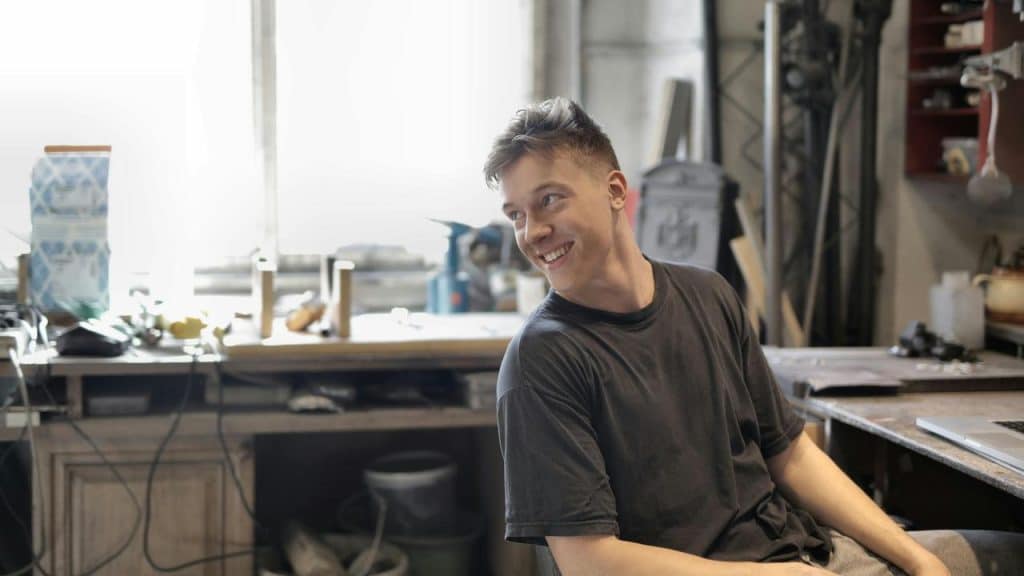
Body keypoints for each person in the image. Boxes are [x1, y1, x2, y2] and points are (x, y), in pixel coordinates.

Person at [484, 97, 1024, 576]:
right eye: (516, 215)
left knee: (1006, 554)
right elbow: (589, 561)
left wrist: (913, 556)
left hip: (806, 553)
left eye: (549, 200)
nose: (531, 233)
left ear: (616, 191)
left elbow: (789, 453)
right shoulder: (541, 360)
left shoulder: (709, 295)